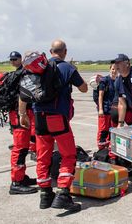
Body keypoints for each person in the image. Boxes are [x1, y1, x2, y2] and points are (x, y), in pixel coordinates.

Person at [19, 39, 87, 211]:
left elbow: (23, 94)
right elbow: (84, 88)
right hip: (57, 117)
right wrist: (74, 72)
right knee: (69, 155)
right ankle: (63, 193)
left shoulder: (38, 68)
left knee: (43, 157)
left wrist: (21, 114)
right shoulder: (66, 67)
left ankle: (45, 194)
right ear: (64, 51)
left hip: (38, 117)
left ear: (50, 52)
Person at [7, 51, 38, 195]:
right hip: (19, 115)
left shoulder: (17, 74)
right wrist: (22, 114)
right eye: (11, 59)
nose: (13, 61)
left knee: (24, 147)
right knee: (19, 150)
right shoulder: (21, 75)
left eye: (15, 59)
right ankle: (16, 182)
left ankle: (21, 177)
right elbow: (22, 96)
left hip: (19, 114)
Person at [96, 63, 118, 150]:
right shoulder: (104, 80)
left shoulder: (119, 80)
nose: (114, 71)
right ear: (110, 69)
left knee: (113, 130)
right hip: (105, 110)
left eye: (116, 69)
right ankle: (101, 148)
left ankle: (110, 148)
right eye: (113, 69)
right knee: (103, 130)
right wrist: (101, 109)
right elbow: (100, 96)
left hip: (114, 111)